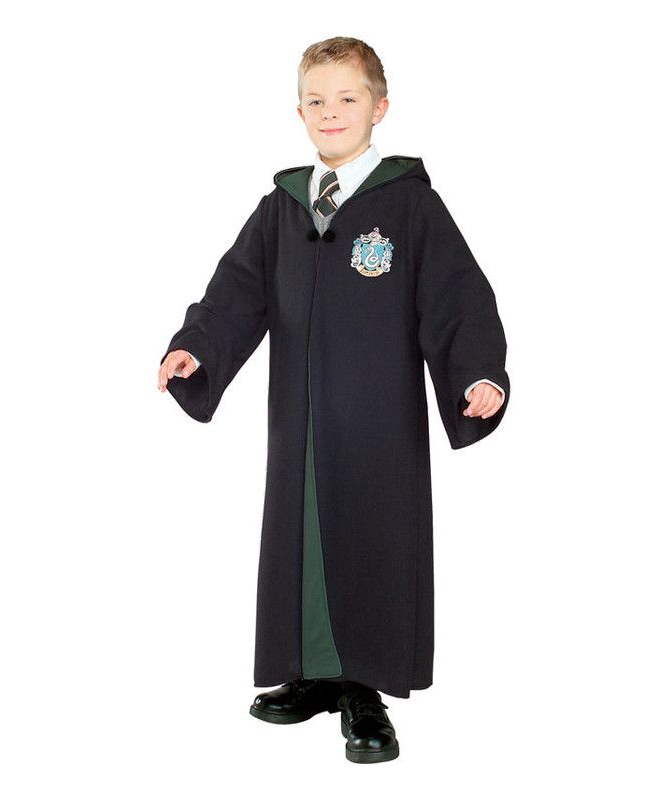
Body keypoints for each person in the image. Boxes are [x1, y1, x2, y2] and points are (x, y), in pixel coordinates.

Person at [157, 36, 510, 764]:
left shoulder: (409, 207)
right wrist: (198, 346)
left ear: (380, 108)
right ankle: (313, 672)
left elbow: (459, 300)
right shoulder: (282, 208)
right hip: (300, 420)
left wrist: (478, 373)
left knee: (373, 535)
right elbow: (235, 291)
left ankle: (365, 690)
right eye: (316, 100)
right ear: (299, 112)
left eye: (348, 98)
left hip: (377, 420)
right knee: (303, 537)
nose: (331, 111)